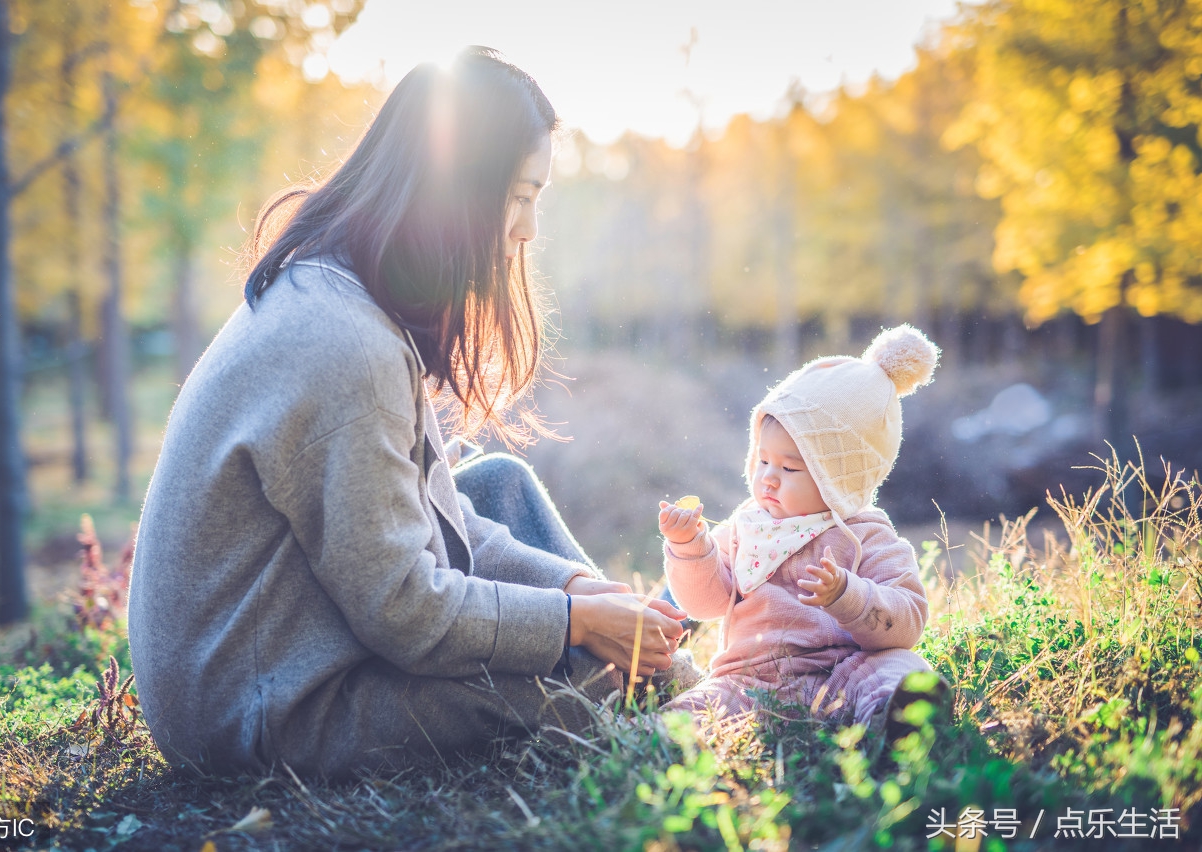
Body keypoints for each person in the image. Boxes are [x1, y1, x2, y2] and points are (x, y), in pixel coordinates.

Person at [127, 47, 685, 780]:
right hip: (267, 711)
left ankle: (646, 659)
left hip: (293, 638)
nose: (527, 230)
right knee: (580, 677)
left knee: (501, 487)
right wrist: (572, 624)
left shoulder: (341, 290)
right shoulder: (345, 346)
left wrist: (572, 591)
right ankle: (672, 691)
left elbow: (427, 513)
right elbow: (405, 612)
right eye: (520, 196)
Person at [657, 325, 945, 735]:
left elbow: (908, 618)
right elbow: (705, 604)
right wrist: (689, 548)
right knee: (703, 705)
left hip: (844, 671)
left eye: (790, 468)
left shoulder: (865, 533)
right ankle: (656, 734)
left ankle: (898, 720)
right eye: (763, 461)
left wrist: (848, 595)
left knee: (899, 666)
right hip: (750, 680)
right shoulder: (747, 524)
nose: (768, 478)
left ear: (840, 476)